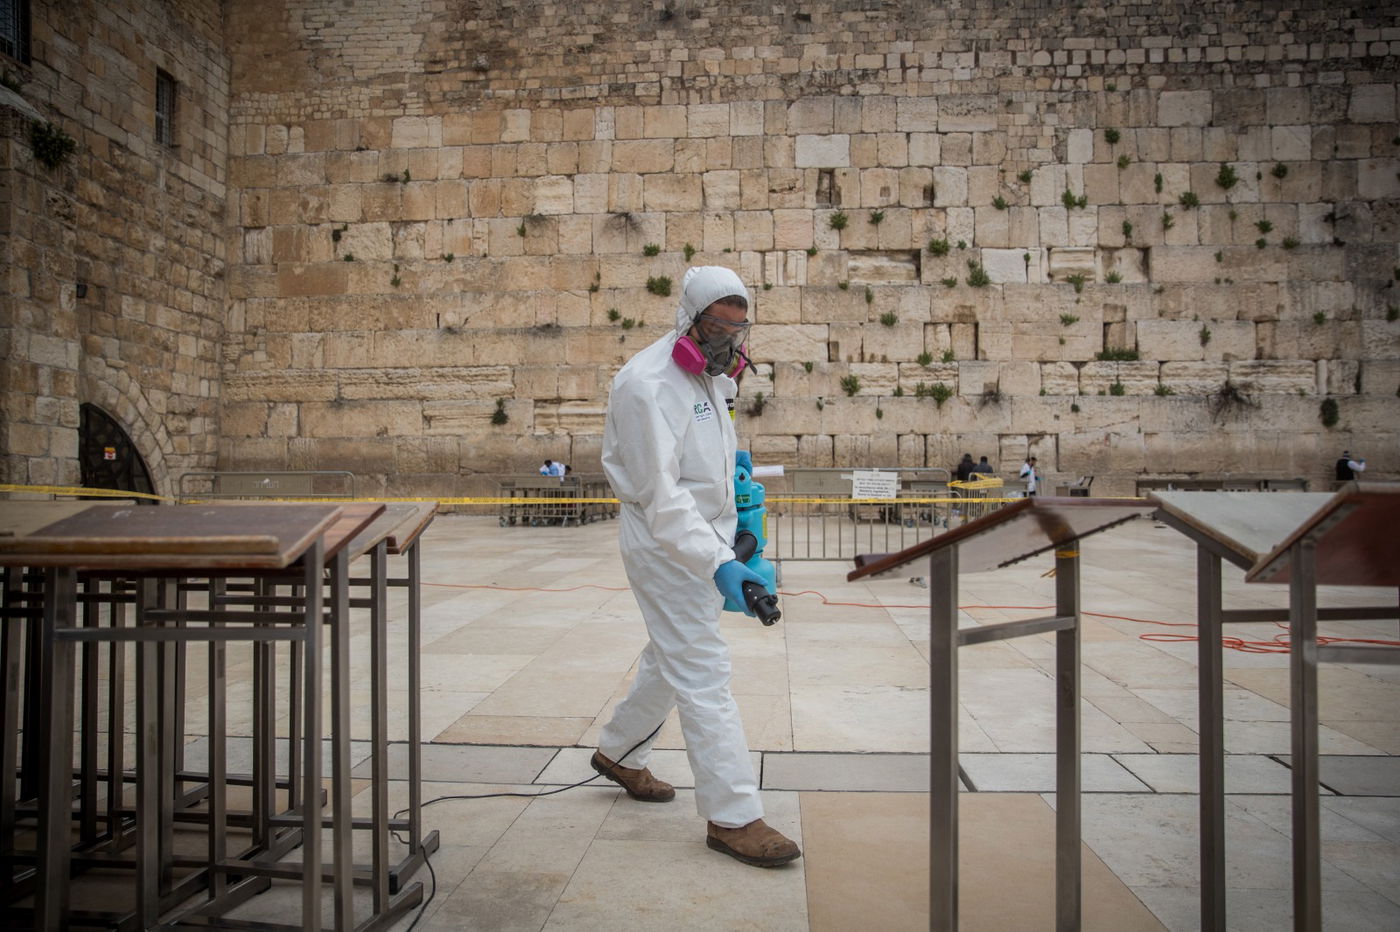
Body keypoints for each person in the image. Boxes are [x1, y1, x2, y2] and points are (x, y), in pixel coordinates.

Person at [594, 266, 800, 868]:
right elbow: (661, 498)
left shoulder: (708, 374)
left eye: (738, 330)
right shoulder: (647, 385)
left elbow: (709, 445)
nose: (727, 342)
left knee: (672, 653)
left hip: (706, 532)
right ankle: (734, 816)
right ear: (688, 317)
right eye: (716, 327)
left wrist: (739, 507)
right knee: (703, 667)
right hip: (662, 540)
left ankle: (618, 753)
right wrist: (718, 562)